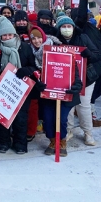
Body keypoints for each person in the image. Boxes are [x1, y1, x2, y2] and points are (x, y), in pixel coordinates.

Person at [28, 26, 82, 156]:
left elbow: (72, 69)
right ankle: (52, 141)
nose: (36, 41)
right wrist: (38, 84)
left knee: (61, 119)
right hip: (47, 94)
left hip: (64, 93)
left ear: (44, 37)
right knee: (47, 118)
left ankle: (62, 141)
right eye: (33, 38)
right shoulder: (32, 55)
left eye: (39, 37)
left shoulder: (60, 49)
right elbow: (31, 74)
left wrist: (77, 85)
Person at [0, 16, 36, 154]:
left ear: (15, 34)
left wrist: (26, 70)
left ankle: (20, 144)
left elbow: (33, 67)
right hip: (3, 87)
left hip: (21, 88)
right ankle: (3, 142)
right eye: (4, 35)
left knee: (21, 118)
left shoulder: (24, 47)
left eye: (10, 34)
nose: (7, 37)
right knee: (1, 116)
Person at [56, 15, 100, 146]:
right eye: (63, 26)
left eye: (69, 26)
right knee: (67, 106)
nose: (66, 29)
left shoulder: (83, 37)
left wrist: (89, 54)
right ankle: (68, 130)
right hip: (65, 79)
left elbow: (97, 54)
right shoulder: (56, 40)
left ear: (73, 27)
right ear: (59, 28)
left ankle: (88, 133)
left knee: (84, 106)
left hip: (86, 78)